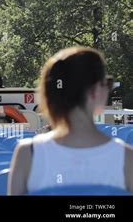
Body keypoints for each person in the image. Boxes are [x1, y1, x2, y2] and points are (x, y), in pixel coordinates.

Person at [9, 46, 133, 195]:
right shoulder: (126, 157)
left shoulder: (27, 153)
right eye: (107, 83)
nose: (108, 89)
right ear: (94, 91)